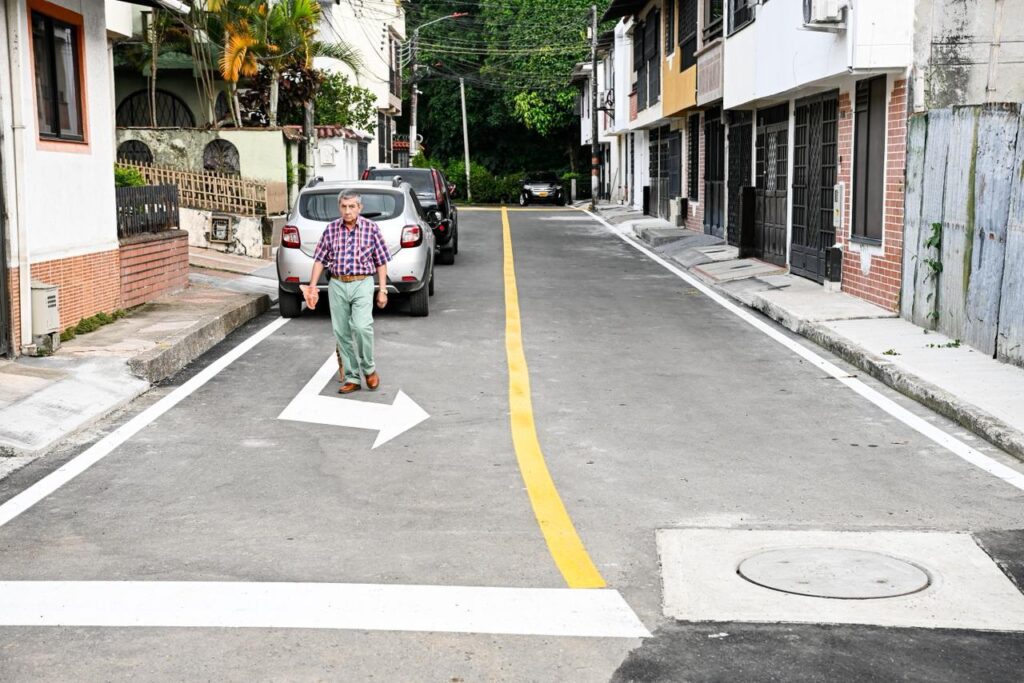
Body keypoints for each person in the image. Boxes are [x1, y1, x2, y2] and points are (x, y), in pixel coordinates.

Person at [301, 191, 391, 394]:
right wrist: (312, 287)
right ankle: (352, 377)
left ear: (359, 208)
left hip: (362, 282)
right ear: (339, 207)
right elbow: (320, 260)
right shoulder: (331, 229)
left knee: (361, 327)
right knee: (341, 332)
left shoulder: (371, 229)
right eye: (344, 206)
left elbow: (381, 261)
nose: (348, 211)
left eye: (352, 206)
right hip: (337, 284)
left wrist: (383, 290)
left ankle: (369, 369)